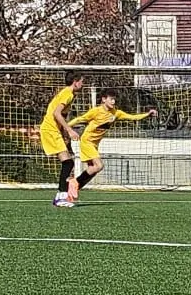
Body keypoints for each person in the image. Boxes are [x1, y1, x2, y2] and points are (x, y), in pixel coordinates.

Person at [67, 92, 154, 201]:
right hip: (87, 141)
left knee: (93, 169)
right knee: (99, 166)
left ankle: (71, 192)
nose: (113, 102)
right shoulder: (96, 111)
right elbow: (79, 119)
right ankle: (74, 182)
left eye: (114, 99)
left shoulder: (116, 113)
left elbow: (132, 117)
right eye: (111, 99)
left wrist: (147, 114)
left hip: (94, 144)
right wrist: (66, 127)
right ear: (104, 99)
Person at [38, 76, 86, 207]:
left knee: (68, 162)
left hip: (53, 130)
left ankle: (60, 196)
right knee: (68, 163)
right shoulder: (67, 93)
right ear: (75, 82)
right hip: (50, 130)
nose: (83, 84)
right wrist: (70, 130)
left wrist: (64, 134)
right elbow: (56, 113)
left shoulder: (67, 93)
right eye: (82, 82)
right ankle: (62, 197)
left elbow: (60, 115)